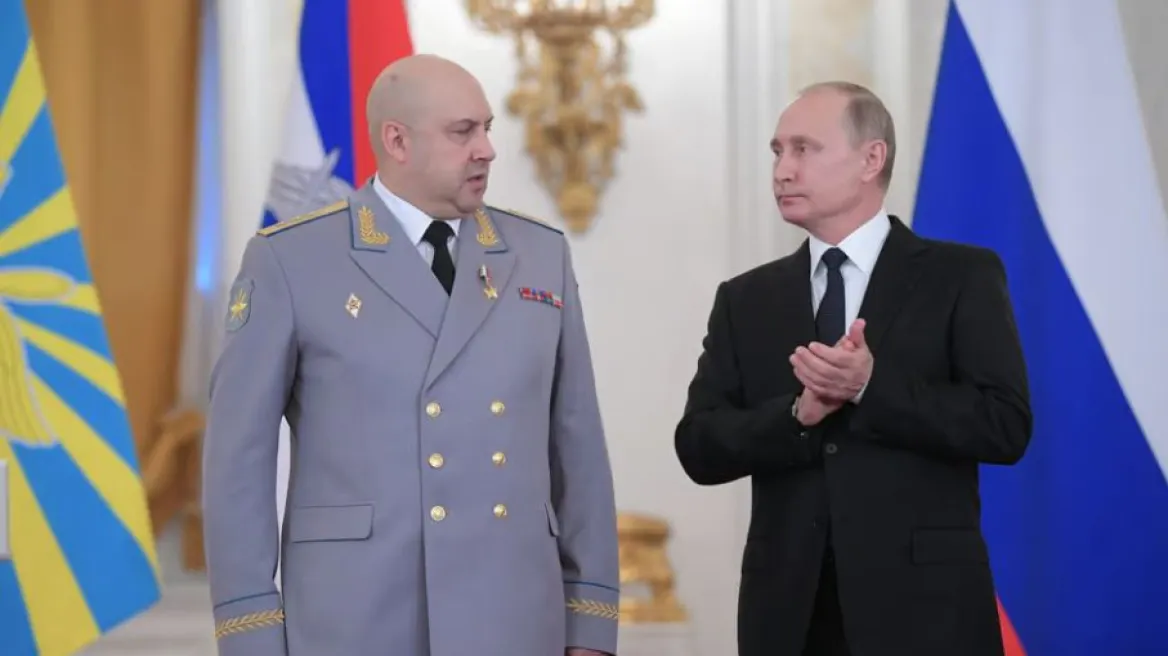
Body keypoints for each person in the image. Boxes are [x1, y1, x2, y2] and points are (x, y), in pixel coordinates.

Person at [201, 54, 620, 656]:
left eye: (486, 128)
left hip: (512, 612)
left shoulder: (539, 254)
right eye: (462, 132)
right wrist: (251, 634)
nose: (486, 150)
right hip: (358, 615)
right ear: (397, 141)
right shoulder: (293, 259)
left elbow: (578, 447)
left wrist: (591, 618)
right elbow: (237, 462)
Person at [673, 81, 1033, 656]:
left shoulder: (959, 277)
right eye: (777, 152)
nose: (782, 171)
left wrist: (870, 386)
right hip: (790, 618)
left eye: (804, 149)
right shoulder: (746, 299)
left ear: (871, 159)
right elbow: (699, 445)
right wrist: (796, 415)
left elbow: (1004, 424)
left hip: (927, 616)